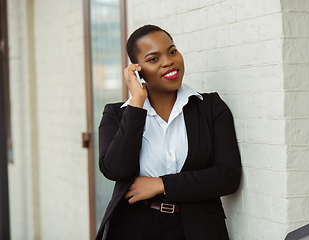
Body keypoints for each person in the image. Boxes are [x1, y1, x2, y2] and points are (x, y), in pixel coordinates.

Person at [95, 24, 241, 240]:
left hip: (199, 228)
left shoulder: (211, 107)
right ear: (137, 70)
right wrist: (137, 103)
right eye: (153, 59)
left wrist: (161, 184)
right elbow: (115, 169)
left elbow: (228, 176)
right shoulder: (117, 114)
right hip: (135, 227)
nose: (168, 61)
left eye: (172, 51)